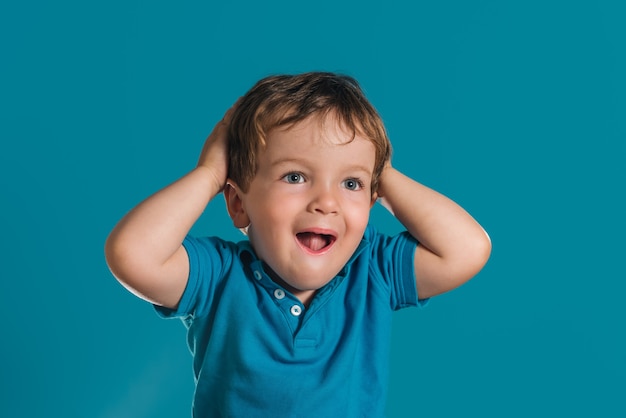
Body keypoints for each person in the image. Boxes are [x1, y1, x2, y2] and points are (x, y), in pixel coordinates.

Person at [105, 72, 491, 417]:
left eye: (351, 184)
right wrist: (209, 174)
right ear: (239, 204)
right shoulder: (218, 277)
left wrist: (381, 172)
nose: (326, 202)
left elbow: (467, 249)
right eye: (295, 176)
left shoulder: (373, 269)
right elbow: (132, 255)